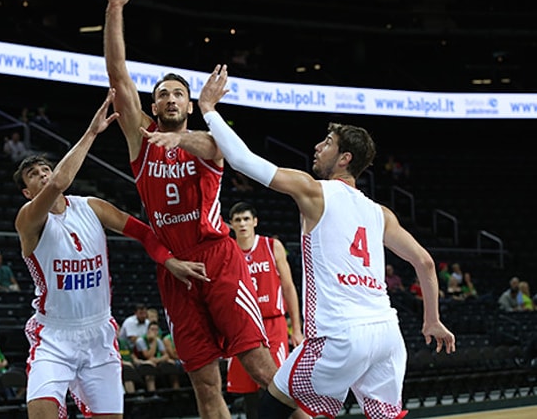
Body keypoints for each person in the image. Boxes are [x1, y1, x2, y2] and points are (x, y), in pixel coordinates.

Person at [189, 64, 455, 418]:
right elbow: (423, 261)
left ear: (345, 158)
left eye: (327, 143)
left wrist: (208, 109)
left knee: (272, 407)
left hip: (340, 336)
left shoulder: (314, 191)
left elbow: (242, 160)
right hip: (387, 334)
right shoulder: (381, 213)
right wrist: (432, 320)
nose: (317, 146)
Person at [101, 0, 278, 418]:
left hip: (218, 259)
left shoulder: (203, 142)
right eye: (163, 95)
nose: (171, 99)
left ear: (187, 102)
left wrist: (180, 138)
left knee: (260, 366)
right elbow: (119, 75)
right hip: (175, 271)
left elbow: (220, 148)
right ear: (154, 106)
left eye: (179, 93)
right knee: (203, 382)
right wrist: (115, 8)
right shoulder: (141, 140)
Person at [12, 88, 208, 419]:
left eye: (45, 169)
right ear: (27, 192)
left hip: (99, 331)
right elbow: (60, 182)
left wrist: (168, 260)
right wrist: (92, 132)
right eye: (35, 175)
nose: (44, 175)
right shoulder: (28, 218)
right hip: (54, 334)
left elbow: (144, 232)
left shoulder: (92, 207)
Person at [226, 201, 305, 419]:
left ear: (255, 222)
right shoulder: (227, 250)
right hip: (242, 326)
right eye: (238, 220)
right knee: (248, 391)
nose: (242, 224)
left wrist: (296, 328)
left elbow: (288, 286)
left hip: (273, 323)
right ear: (231, 225)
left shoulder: (272, 246)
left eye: (246, 219)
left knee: (277, 384)